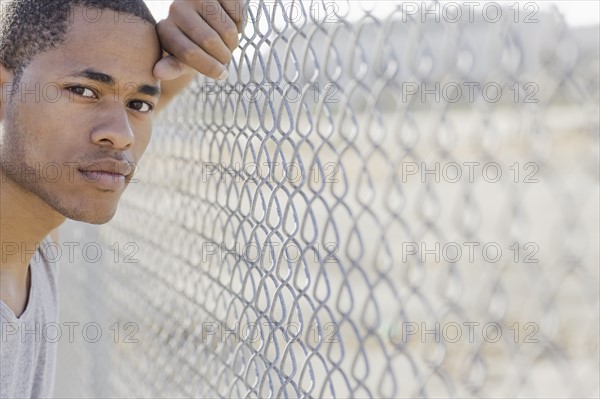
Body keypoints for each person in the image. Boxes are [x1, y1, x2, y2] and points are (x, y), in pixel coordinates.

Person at [0, 0, 244, 396]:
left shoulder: (35, 234)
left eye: (139, 105)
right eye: (83, 90)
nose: (122, 134)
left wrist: (195, 37)